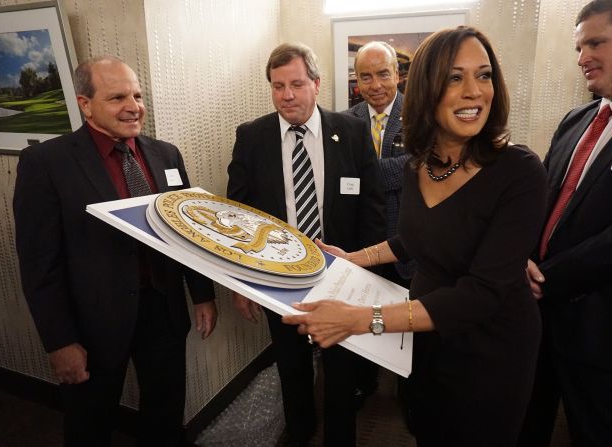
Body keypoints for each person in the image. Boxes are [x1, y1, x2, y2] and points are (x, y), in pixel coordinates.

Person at [283, 27, 548, 446]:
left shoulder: (519, 171)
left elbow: (481, 294)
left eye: (484, 75)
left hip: (491, 349)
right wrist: (352, 258)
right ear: (427, 88)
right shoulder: (417, 165)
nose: (474, 92)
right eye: (454, 78)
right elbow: (410, 239)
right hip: (426, 333)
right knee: (427, 429)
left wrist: (361, 320)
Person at [13, 56, 217, 447]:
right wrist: (59, 341)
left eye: (138, 95)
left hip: (163, 309)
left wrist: (203, 295)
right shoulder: (45, 163)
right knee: (90, 423)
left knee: (165, 412)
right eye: (117, 97)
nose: (134, 106)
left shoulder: (166, 155)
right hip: (93, 323)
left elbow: (189, 230)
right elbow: (40, 263)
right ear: (85, 104)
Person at [227, 42, 385, 445]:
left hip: (341, 276)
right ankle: (298, 433)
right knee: (292, 368)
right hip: (278, 280)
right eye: (277, 86)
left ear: (316, 84)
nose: (287, 95)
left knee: (341, 370)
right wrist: (239, 283)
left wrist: (363, 270)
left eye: (296, 84)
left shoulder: (350, 131)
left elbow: (371, 205)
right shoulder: (251, 137)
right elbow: (238, 219)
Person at [517, 1, 612, 446]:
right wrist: (523, 258)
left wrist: (548, 277)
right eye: (578, 47)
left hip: (604, 330)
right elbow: (544, 203)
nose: (581, 58)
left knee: (600, 433)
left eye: (595, 42)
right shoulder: (577, 120)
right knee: (524, 425)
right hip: (538, 319)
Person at [345, 41, 413, 287]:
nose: (375, 85)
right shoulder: (343, 123)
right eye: (366, 77)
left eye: (383, 74)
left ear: (396, 74)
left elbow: (418, 167)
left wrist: (362, 174)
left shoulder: (421, 117)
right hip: (359, 251)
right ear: (357, 80)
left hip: (407, 253)